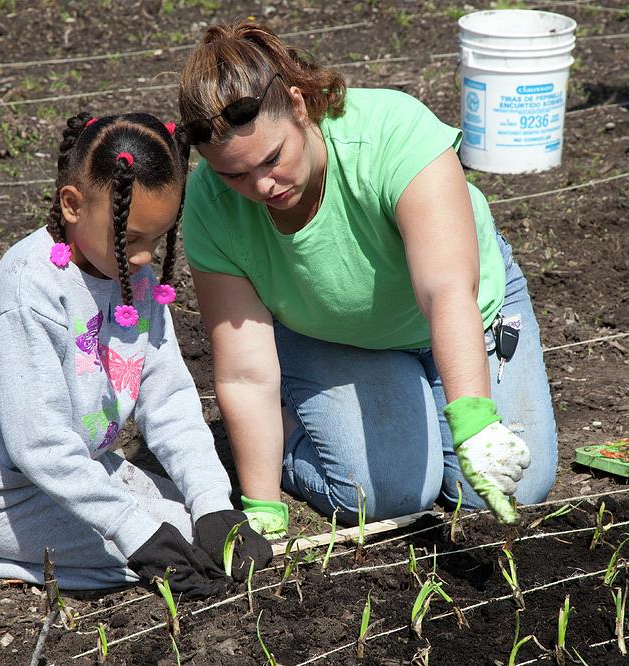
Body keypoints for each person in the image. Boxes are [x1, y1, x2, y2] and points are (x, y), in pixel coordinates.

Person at [176, 22, 557, 537]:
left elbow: (445, 289)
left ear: (298, 105)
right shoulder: (211, 205)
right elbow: (245, 371)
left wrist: (473, 420)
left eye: (272, 158)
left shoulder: (392, 133)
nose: (261, 185)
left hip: (466, 310)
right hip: (334, 335)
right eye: (234, 175)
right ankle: (290, 431)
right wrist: (261, 503)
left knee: (513, 486)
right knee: (385, 495)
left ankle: (432, 403)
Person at [0, 111, 271, 596]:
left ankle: (33, 549)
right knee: (172, 554)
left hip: (84, 471)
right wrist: (133, 528)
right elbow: (39, 446)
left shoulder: (135, 281)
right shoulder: (26, 295)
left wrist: (213, 505)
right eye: (131, 238)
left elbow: (168, 404)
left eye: (157, 239)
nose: (144, 257)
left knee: (202, 531)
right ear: (73, 205)